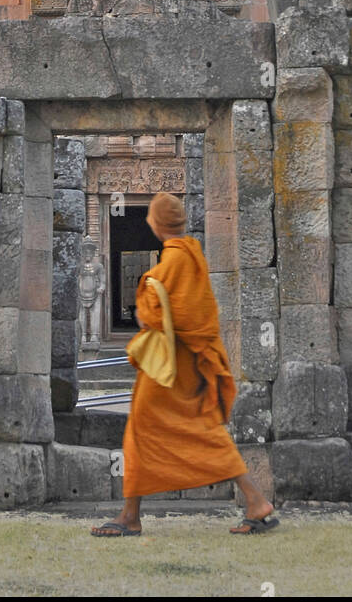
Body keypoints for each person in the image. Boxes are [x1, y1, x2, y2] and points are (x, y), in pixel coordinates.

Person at [91, 192, 278, 537]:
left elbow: (155, 315)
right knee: (200, 429)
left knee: (143, 433)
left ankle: (130, 516)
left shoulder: (172, 263)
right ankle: (254, 500)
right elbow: (199, 313)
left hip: (168, 369)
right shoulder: (194, 256)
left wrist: (146, 295)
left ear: (156, 223)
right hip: (191, 363)